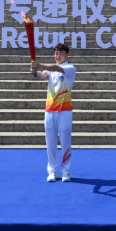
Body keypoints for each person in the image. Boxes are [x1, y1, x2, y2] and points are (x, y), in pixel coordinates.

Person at [32, 42, 75, 182]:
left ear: (67, 55)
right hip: (50, 110)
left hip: (65, 111)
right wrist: (34, 71)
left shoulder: (70, 68)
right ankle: (52, 171)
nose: (58, 56)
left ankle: (66, 171)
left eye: (61, 54)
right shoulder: (50, 70)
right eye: (56, 54)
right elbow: (41, 75)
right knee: (50, 143)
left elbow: (56, 68)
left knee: (65, 142)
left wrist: (40, 65)